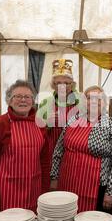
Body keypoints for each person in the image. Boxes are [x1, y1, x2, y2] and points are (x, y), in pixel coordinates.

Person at [50, 86, 112, 212]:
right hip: (67, 182)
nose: (94, 101)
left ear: (104, 103)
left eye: (99, 99)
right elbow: (58, 150)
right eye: (90, 98)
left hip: (96, 187)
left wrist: (110, 192)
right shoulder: (73, 120)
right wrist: (54, 177)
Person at [0, 80, 46, 212]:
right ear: (9, 101)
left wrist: (44, 191)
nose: (23, 100)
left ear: (33, 102)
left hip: (34, 190)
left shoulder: (40, 124)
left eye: (27, 97)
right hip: (7, 193)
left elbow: (45, 161)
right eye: (18, 96)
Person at [36, 59, 85, 193]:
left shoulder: (82, 101)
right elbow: (36, 131)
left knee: (72, 188)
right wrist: (46, 125)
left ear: (72, 84)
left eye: (66, 83)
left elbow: (91, 126)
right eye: (58, 83)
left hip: (74, 154)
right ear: (53, 85)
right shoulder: (46, 102)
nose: (62, 86)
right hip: (51, 154)